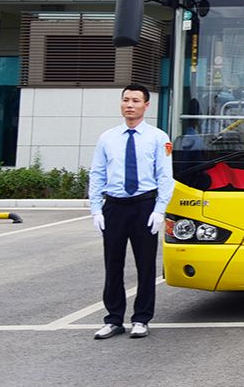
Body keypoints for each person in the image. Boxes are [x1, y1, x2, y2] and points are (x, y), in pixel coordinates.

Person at [89, 84, 174, 340]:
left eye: (135, 101)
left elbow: (165, 176)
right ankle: (113, 319)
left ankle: (141, 318)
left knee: (145, 265)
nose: (129, 105)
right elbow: (97, 173)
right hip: (114, 206)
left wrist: (160, 210)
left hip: (144, 206)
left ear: (146, 105)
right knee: (112, 264)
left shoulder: (158, 137)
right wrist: (96, 209)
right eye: (126, 100)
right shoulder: (108, 138)